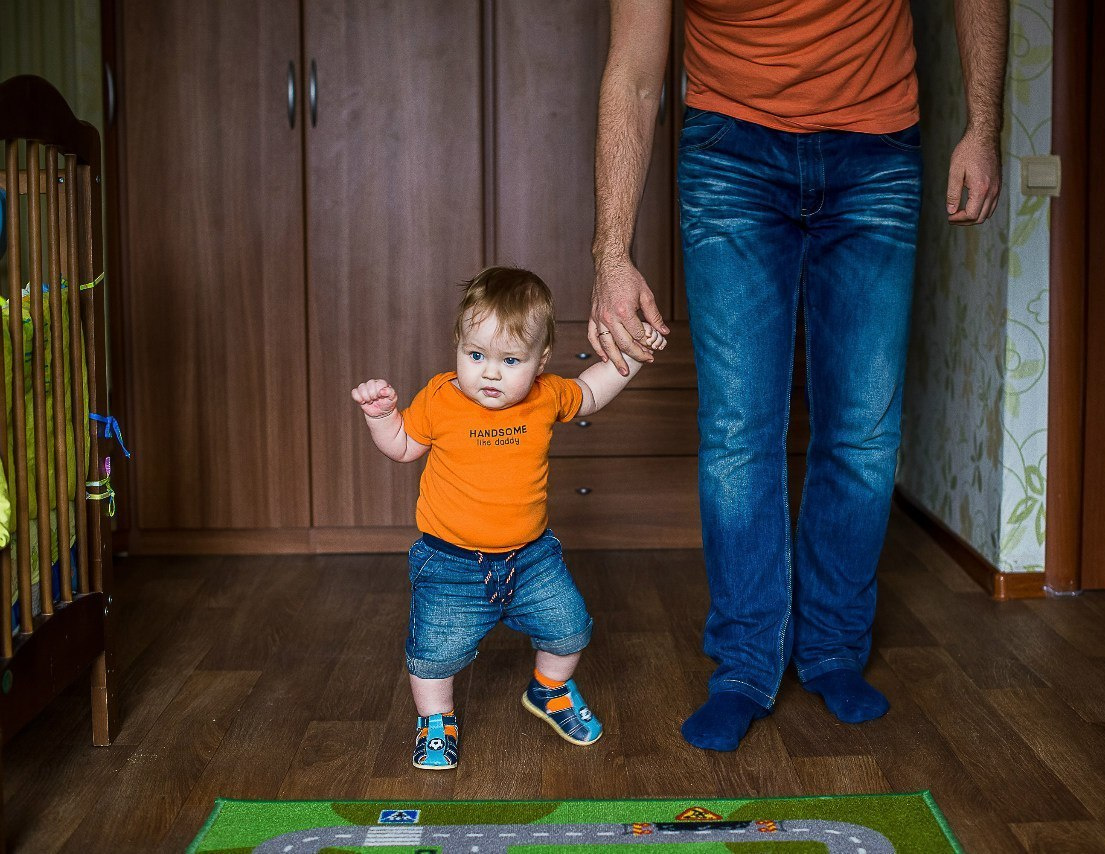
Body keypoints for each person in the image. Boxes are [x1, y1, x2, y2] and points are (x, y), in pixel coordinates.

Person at [590, 0, 1007, 751]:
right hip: (730, 151)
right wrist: (610, 254)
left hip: (877, 148)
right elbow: (633, 73)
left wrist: (983, 125)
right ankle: (746, 664)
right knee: (737, 429)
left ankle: (832, 649)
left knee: (862, 430)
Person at [352, 266, 666, 769]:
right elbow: (405, 446)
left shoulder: (545, 395)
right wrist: (382, 417)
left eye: (510, 360)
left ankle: (549, 690)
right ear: (457, 345)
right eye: (475, 356)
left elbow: (590, 390)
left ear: (540, 362)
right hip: (451, 563)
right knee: (433, 653)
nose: (490, 373)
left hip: (532, 558)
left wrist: (630, 354)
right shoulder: (440, 397)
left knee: (569, 629)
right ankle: (436, 721)